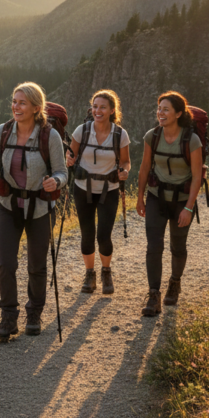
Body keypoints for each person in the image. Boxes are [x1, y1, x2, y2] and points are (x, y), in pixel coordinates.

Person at [0, 82, 68, 340]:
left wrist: (56, 182)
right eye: (14, 102)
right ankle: (8, 317)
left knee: (37, 265)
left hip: (40, 207)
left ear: (36, 108)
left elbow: (62, 172)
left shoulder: (49, 136)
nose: (15, 107)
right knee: (6, 264)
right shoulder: (2, 131)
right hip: (8, 205)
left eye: (22, 103)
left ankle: (34, 313)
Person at [136, 91, 202, 317]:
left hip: (182, 200)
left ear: (178, 113)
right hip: (156, 197)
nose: (160, 113)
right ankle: (154, 294)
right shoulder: (152, 136)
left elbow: (197, 176)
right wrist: (140, 197)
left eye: (166, 109)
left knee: (178, 246)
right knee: (154, 246)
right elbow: (145, 168)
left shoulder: (191, 140)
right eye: (159, 109)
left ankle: (175, 283)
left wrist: (189, 208)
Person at [66, 90, 130, 295]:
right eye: (95, 106)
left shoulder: (120, 134)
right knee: (87, 233)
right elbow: (71, 156)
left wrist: (125, 171)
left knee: (104, 235)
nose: (97, 111)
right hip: (82, 188)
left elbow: (126, 161)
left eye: (102, 107)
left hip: (109, 190)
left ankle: (106, 271)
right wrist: (69, 160)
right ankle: (90, 274)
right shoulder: (82, 131)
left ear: (112, 110)